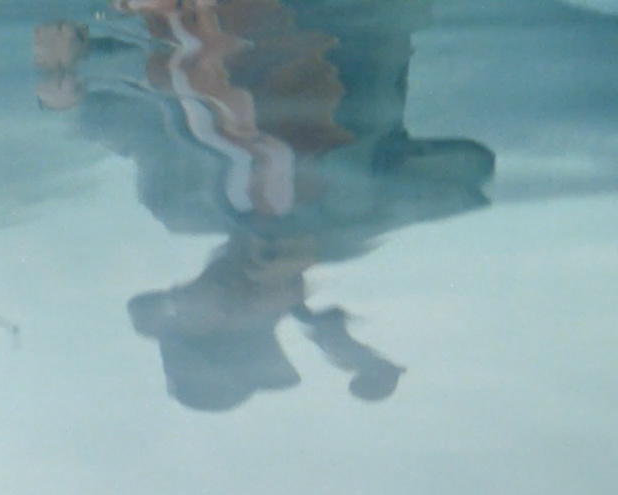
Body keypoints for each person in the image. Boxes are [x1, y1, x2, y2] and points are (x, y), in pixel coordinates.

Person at [36, 0, 493, 411]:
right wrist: (310, 245)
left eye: (191, 320)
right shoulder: (352, 219)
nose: (201, 307)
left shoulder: (177, 200)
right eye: (232, 327)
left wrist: (58, 83)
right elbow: (473, 170)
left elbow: (113, 115)